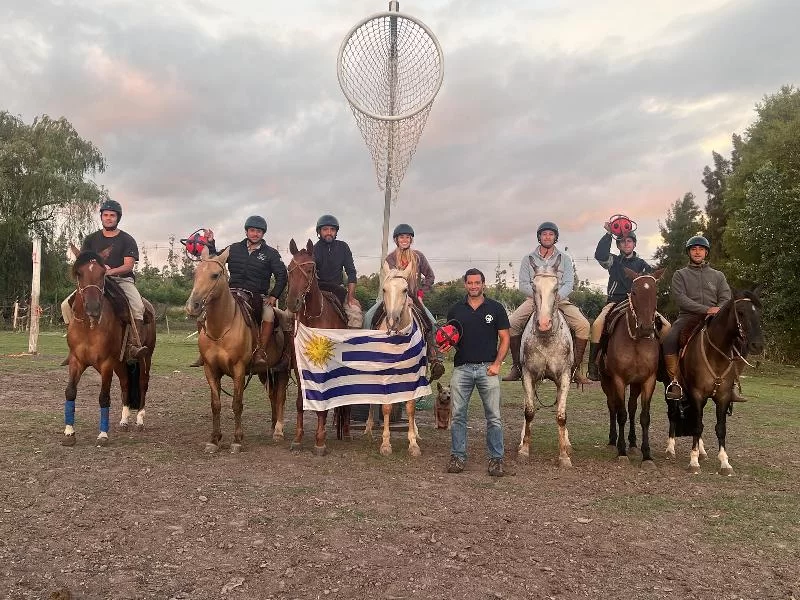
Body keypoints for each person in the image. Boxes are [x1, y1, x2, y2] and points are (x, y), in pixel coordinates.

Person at [189, 215, 287, 370]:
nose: (255, 234)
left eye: (259, 231)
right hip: (233, 292)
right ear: (247, 231)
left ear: (263, 234)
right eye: (252, 230)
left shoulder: (271, 253)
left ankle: (260, 352)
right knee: (202, 314)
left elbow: (282, 275)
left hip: (258, 295)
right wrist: (211, 243)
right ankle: (204, 352)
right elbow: (216, 260)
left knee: (269, 314)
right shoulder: (233, 248)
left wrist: (274, 295)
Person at [442, 268, 512, 477]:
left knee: (494, 417)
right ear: (465, 284)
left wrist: (498, 364)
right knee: (458, 416)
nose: (473, 286)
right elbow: (450, 337)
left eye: (477, 282)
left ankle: (496, 459)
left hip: (487, 368)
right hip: (462, 368)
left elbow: (505, 338)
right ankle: (457, 456)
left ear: (483, 284)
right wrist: (446, 345)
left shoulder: (496, 308)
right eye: (470, 283)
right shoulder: (455, 310)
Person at [503, 221, 592, 384]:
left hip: (559, 299)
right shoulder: (527, 259)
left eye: (551, 234)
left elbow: (568, 283)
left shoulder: (564, 259)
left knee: (583, 325)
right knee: (512, 323)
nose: (547, 237)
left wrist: (555, 298)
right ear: (539, 237)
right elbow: (523, 284)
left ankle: (575, 369)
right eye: (544, 234)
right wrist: (540, 297)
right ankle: (516, 366)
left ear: (555, 237)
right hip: (533, 299)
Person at [61, 199, 148, 362]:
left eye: (112, 215)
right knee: (65, 305)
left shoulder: (127, 240)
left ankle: (135, 345)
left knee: (138, 306)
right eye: (105, 215)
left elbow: (128, 265)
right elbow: (84, 261)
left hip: (122, 280)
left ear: (118, 218)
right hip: (94, 281)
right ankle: (73, 345)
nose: (108, 218)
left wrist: (109, 272)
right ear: (101, 217)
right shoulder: (91, 239)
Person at [363, 223, 444, 380]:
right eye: (402, 237)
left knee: (432, 323)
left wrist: (420, 293)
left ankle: (435, 358)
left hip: (413, 297)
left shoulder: (419, 256)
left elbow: (430, 276)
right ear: (396, 239)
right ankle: (368, 352)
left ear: (411, 239)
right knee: (368, 317)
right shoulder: (390, 259)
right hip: (392, 297)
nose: (405, 240)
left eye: (408, 237)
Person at [662, 235, 736, 400]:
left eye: (701, 249)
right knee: (669, 340)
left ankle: (733, 384)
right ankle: (675, 382)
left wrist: (718, 310)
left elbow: (726, 297)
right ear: (689, 252)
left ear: (706, 253)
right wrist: (706, 309)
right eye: (694, 249)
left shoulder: (718, 276)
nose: (697, 252)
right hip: (687, 317)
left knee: (739, 339)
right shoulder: (680, 275)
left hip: (715, 319)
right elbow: (681, 298)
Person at [587, 223, 653, 380]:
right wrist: (609, 234)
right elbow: (600, 255)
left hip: (639, 305)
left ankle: (662, 364)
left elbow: (649, 286)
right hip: (615, 302)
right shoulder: (613, 261)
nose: (626, 244)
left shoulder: (643, 265)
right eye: (622, 241)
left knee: (665, 327)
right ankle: (593, 365)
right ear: (618, 245)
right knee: (597, 325)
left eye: (629, 241)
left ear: (634, 244)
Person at [312, 214, 358, 306]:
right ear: (319, 231)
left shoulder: (343, 247)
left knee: (355, 315)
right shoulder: (313, 250)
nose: (329, 232)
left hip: (339, 291)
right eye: (325, 229)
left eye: (332, 229)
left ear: (336, 232)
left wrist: (350, 297)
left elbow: (351, 272)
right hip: (318, 291)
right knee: (292, 314)